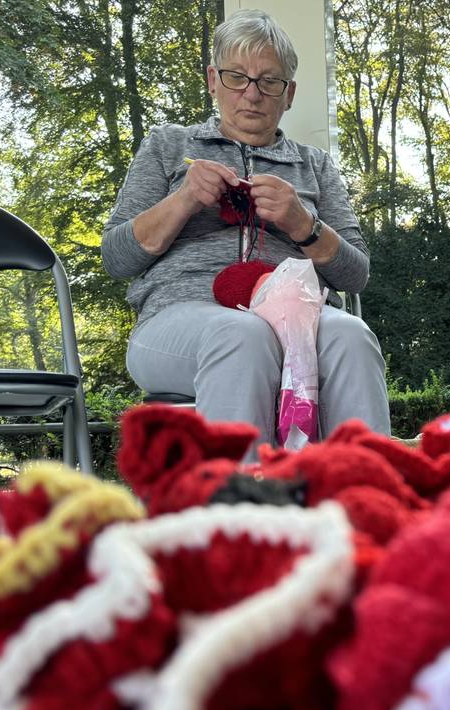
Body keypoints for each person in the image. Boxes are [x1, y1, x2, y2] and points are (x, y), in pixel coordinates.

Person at [102, 10, 390, 455]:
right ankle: (241, 515)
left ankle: (365, 503)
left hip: (298, 319)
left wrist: (303, 224)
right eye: (238, 77)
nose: (252, 95)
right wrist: (182, 201)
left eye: (269, 81)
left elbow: (355, 275)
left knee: (352, 335)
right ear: (214, 80)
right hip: (177, 319)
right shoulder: (167, 146)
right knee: (243, 334)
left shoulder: (314, 165)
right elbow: (117, 259)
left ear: (289, 94)